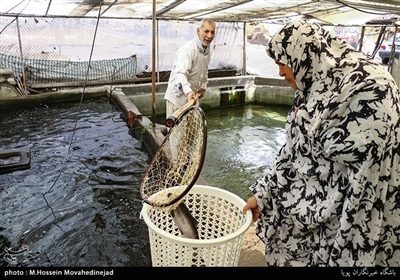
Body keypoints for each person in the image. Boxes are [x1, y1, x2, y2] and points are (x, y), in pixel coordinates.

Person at [242, 18, 400, 267]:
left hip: (353, 220)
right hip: (321, 222)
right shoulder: (312, 86)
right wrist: (263, 194)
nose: (280, 72)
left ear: (302, 54)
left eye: (282, 62)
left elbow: (369, 181)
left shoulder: (369, 89)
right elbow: (295, 151)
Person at [164, 18, 216, 160]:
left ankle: (184, 163)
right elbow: (180, 74)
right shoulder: (188, 49)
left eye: (212, 32)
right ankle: (177, 168)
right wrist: (188, 91)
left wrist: (203, 87)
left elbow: (204, 72)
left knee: (190, 136)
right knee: (178, 138)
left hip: (192, 100)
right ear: (198, 31)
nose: (209, 36)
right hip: (178, 99)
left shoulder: (206, 51)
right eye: (206, 31)